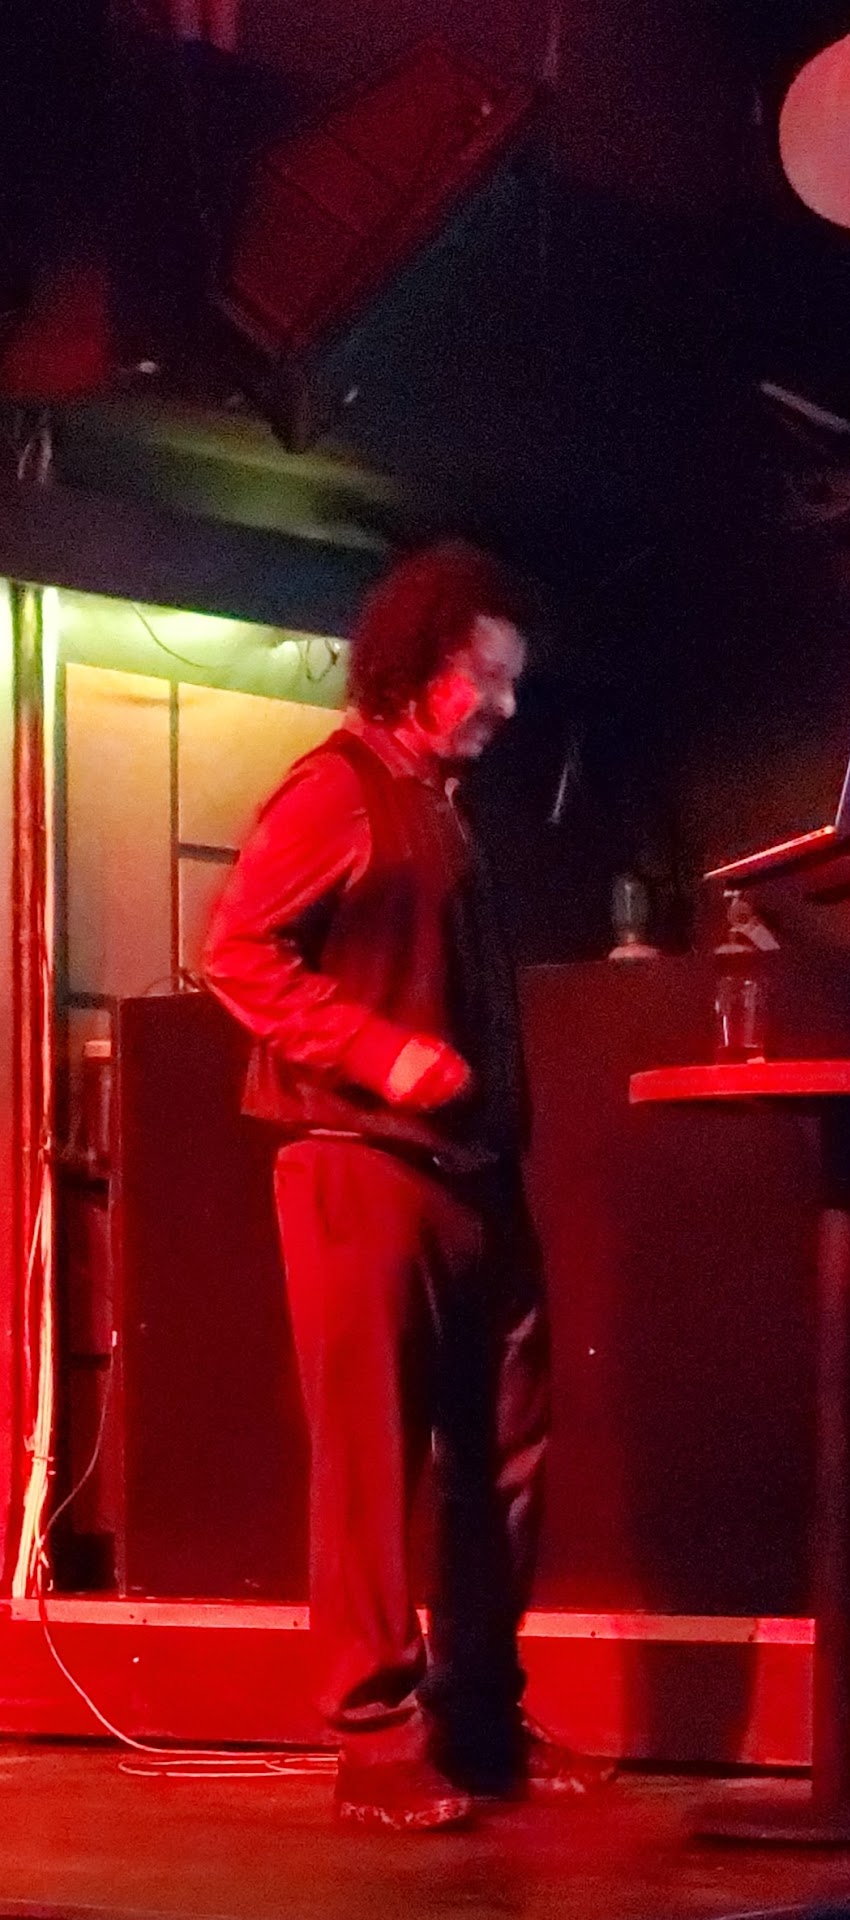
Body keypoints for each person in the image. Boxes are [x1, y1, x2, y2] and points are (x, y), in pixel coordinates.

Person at [203, 541, 603, 1830]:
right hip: (361, 1165)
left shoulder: (440, 804)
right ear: (420, 667)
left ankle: (478, 1720)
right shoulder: (338, 791)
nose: (506, 705)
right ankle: (374, 1739)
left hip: (473, 1173)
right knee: (372, 1467)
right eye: (489, 678)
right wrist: (378, 1050)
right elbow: (237, 951)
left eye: (514, 681)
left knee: (503, 1459)